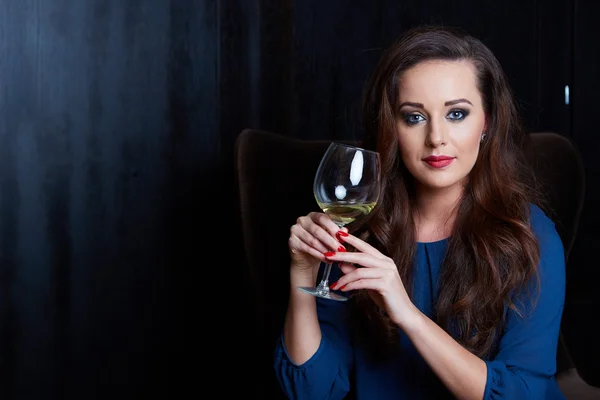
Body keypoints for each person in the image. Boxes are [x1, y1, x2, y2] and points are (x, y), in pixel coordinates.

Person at [274, 25, 566, 399]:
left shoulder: (529, 236)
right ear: (391, 127)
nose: (436, 138)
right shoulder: (359, 233)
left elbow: (521, 393)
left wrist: (407, 313)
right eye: (414, 117)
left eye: (457, 114)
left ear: (487, 123)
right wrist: (302, 275)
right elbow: (312, 391)